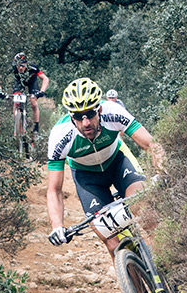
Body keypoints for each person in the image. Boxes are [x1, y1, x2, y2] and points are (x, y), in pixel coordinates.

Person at [46, 77, 164, 256]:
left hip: (117, 164)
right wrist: (57, 226)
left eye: (90, 114)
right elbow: (54, 190)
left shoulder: (113, 112)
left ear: (99, 109)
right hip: (88, 179)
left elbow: (151, 145)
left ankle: (172, 275)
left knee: (146, 212)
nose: (85, 123)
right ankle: (132, 282)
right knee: (113, 244)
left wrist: (162, 172)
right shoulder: (60, 136)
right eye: (78, 117)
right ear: (71, 117)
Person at [12, 52, 50, 136]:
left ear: (27, 64)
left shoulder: (33, 67)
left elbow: (45, 78)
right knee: (16, 101)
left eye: (23, 65)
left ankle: (36, 127)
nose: (20, 68)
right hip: (19, 82)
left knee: (33, 102)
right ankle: (16, 126)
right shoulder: (13, 68)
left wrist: (42, 91)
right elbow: (1, 77)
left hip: (32, 82)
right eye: (18, 65)